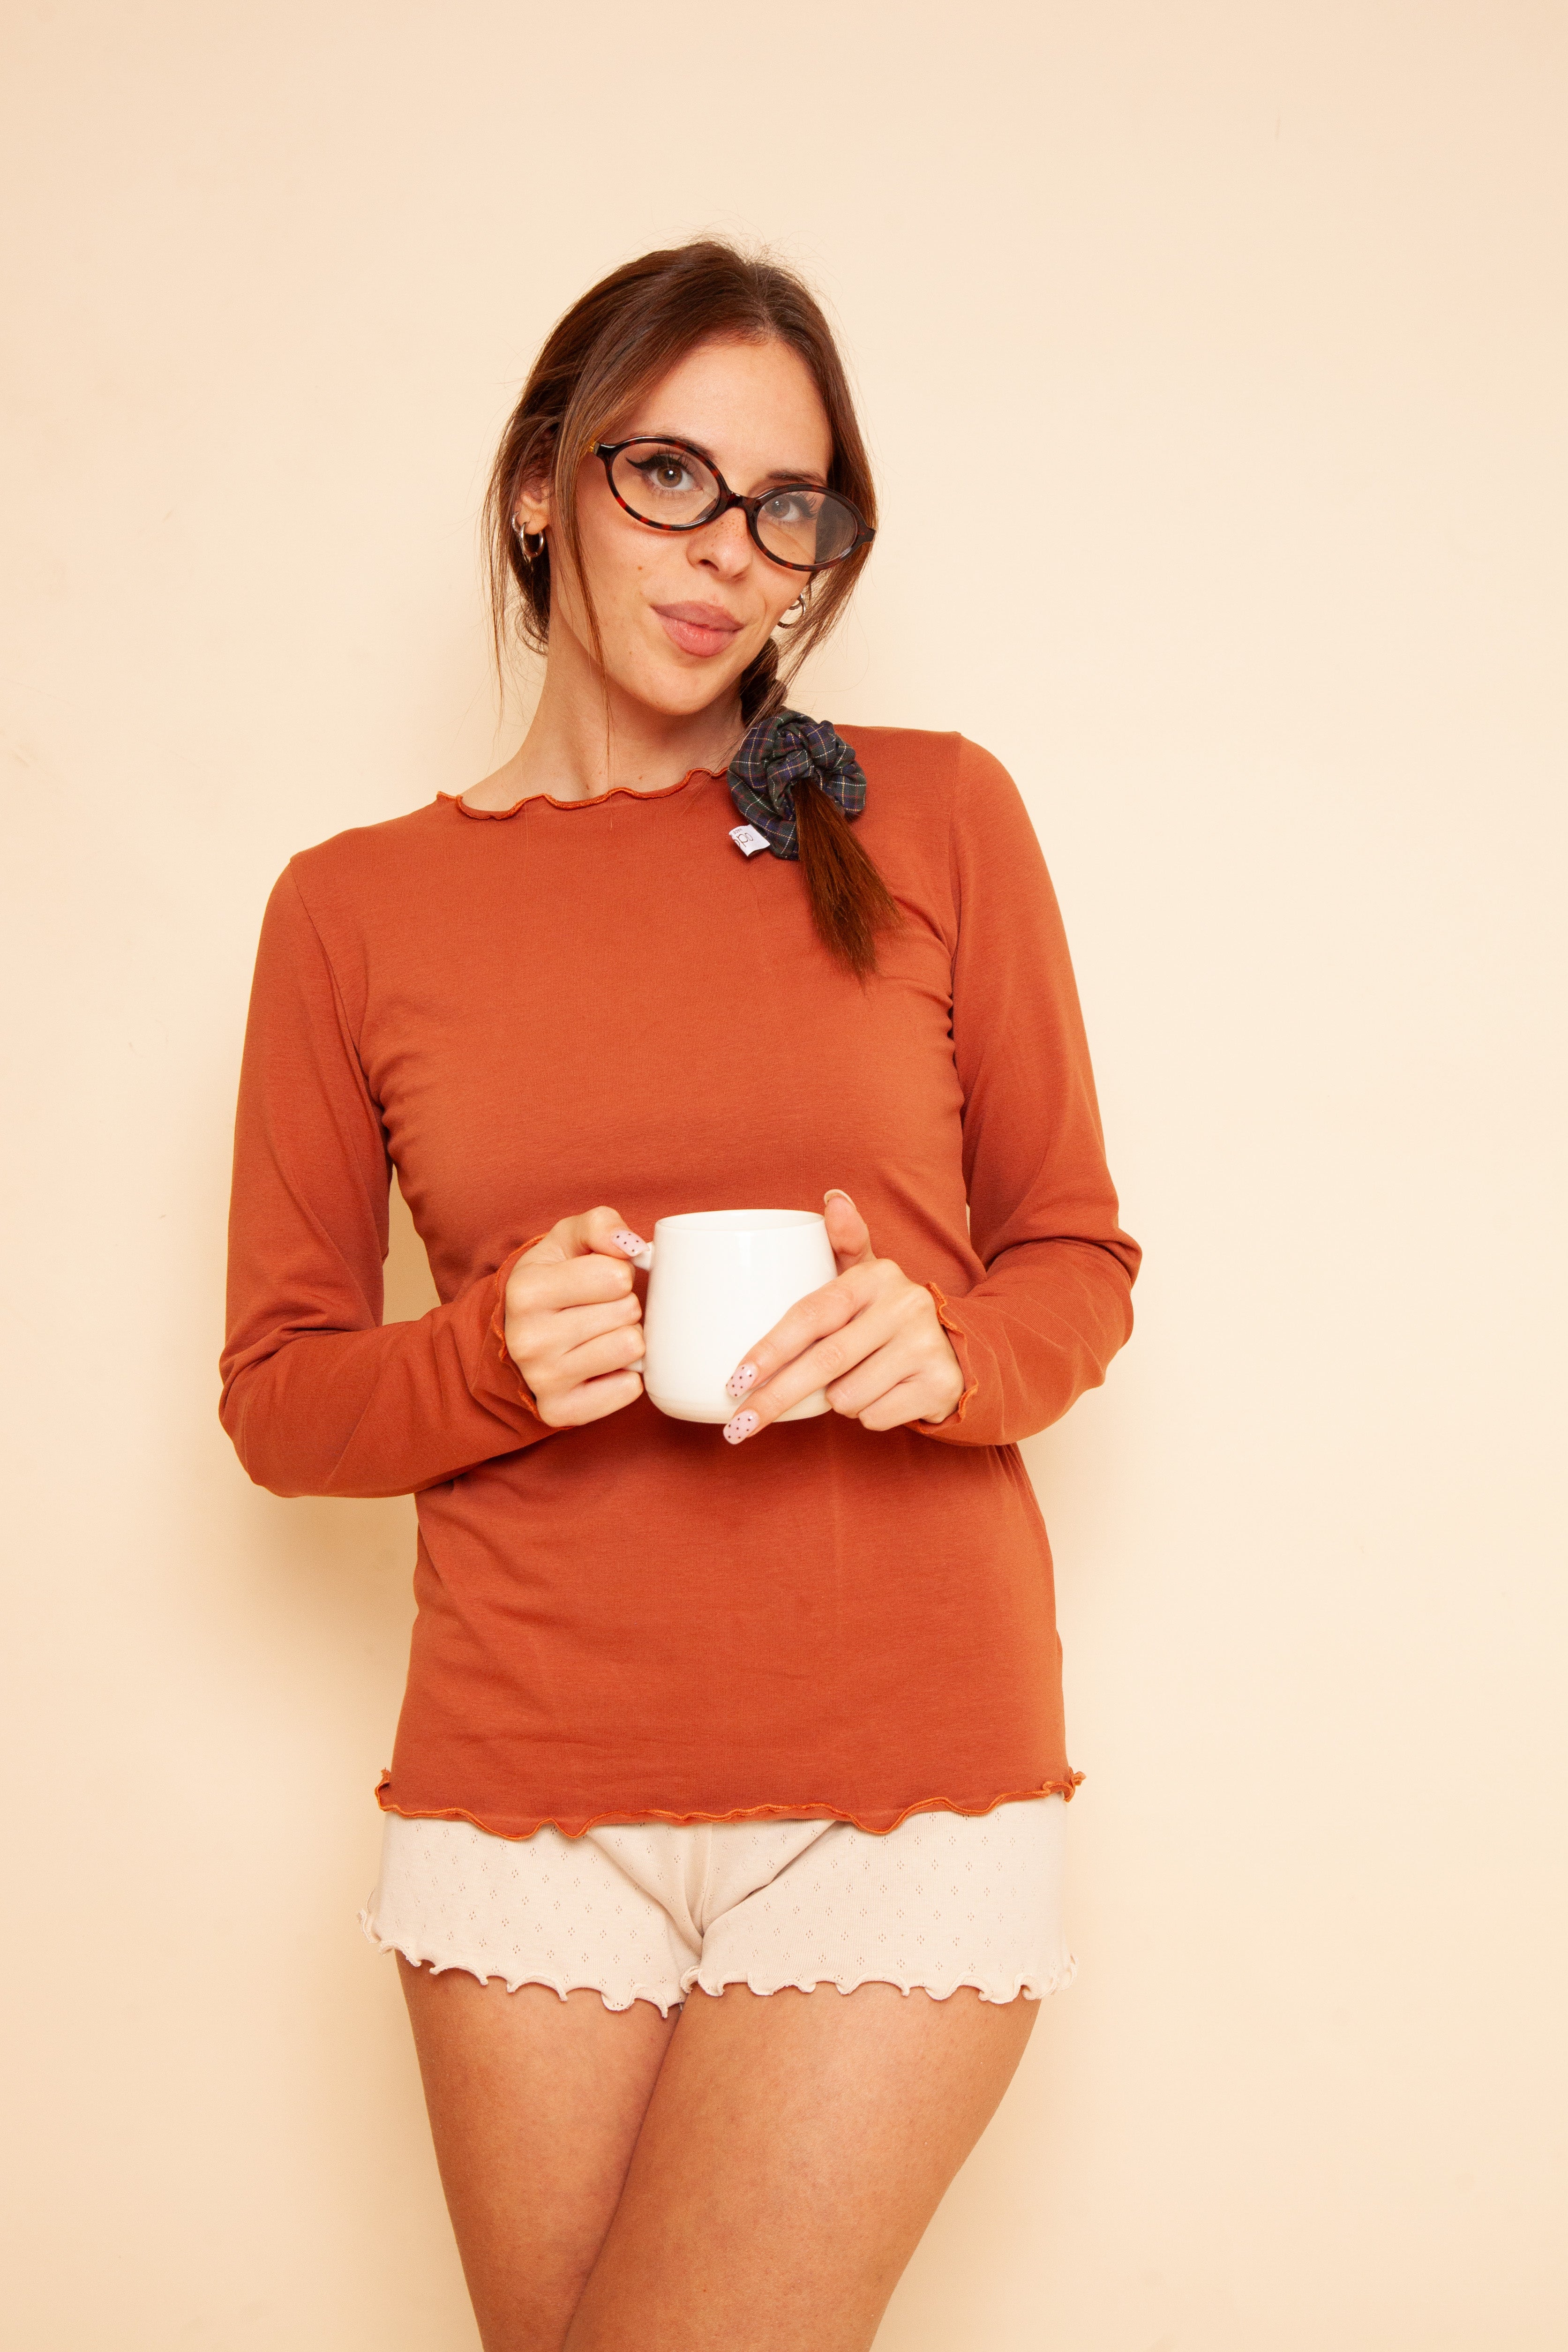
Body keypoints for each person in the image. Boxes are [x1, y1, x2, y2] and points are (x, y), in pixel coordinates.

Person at [219, 239, 1140, 2352]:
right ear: (539, 482)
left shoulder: (940, 814)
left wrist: (951, 1351)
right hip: (519, 1788)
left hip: (901, 1765)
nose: (731, 550)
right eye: (669, 477)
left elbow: (1075, 1256)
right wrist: (486, 1358)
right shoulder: (350, 911)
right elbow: (277, 1395)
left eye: (786, 504)